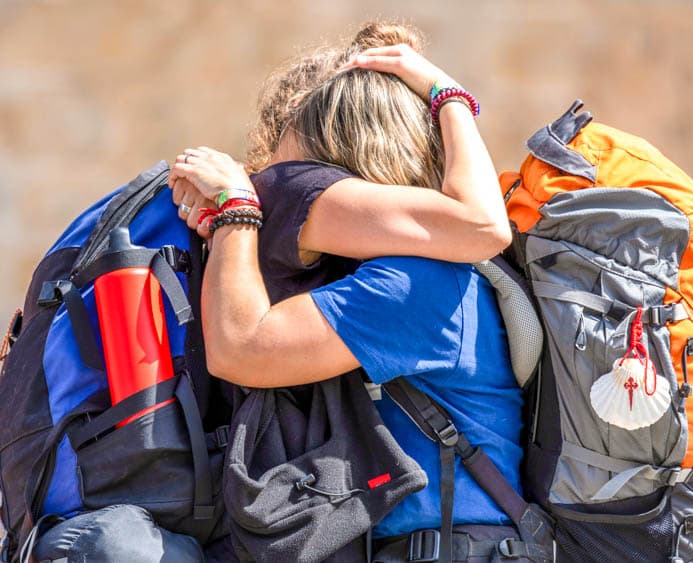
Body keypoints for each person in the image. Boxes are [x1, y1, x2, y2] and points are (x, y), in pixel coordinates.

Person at [169, 23, 539, 562]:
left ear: (350, 179)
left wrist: (238, 210)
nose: (279, 199)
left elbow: (241, 347)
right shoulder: (398, 277)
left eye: (298, 184)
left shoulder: (416, 286)